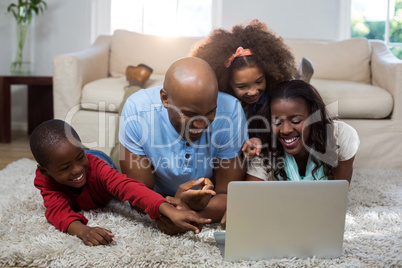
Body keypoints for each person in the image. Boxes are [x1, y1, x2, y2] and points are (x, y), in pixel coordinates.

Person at [118, 57, 248, 235]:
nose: (201, 125)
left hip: (192, 199)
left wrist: (182, 213)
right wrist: (168, 211)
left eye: (210, 112)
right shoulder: (137, 109)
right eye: (189, 114)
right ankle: (135, 80)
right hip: (139, 130)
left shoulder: (231, 110)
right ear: (165, 98)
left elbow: (229, 195)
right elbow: (139, 195)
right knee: (126, 108)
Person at [30, 119, 212, 246]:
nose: (77, 170)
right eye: (65, 168)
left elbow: (129, 188)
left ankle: (134, 84)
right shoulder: (46, 181)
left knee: (119, 148)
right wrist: (83, 231)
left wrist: (167, 209)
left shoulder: (97, 169)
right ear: (45, 171)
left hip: (103, 161)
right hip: (88, 158)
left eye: (79, 157)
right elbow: (57, 212)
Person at [190, 19, 301, 157]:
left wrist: (259, 140)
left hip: (266, 143)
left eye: (259, 81)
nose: (253, 91)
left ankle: (300, 82)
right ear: (226, 82)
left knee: (293, 94)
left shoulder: (272, 98)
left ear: (268, 74)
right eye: (242, 86)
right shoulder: (224, 106)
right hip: (242, 150)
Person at [246, 79, 360, 182]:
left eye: (295, 121)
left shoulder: (342, 136)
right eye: (277, 122)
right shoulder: (267, 146)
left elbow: (338, 196)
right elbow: (249, 195)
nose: (285, 130)